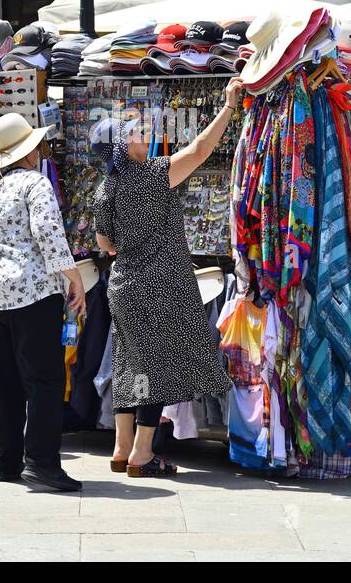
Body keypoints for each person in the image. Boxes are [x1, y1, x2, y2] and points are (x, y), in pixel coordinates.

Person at [92, 80, 241, 479]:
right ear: (124, 147)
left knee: (130, 365)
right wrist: (227, 108)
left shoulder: (105, 188)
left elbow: (105, 243)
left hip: (123, 285)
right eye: (137, 133)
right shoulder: (154, 176)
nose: (146, 136)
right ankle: (142, 454)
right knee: (156, 370)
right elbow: (200, 151)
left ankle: (122, 449)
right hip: (159, 284)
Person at [0, 113, 85, 491]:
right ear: (30, 151)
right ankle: (43, 463)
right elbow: (49, 232)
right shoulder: (35, 184)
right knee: (44, 380)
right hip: (30, 292)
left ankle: (7, 461)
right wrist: (74, 279)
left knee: (5, 380)